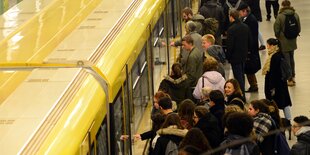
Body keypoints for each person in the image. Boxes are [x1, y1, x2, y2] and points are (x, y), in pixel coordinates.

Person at [262, 38, 292, 121]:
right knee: (284, 102)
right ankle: (288, 119)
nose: (267, 46)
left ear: (272, 45)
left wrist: (271, 87)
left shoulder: (274, 57)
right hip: (281, 84)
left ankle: (276, 120)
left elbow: (273, 73)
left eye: (268, 44)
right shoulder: (278, 54)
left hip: (276, 85)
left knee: (274, 103)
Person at [274, 0, 301, 86]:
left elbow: (276, 29)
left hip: (283, 41)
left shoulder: (280, 16)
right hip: (293, 40)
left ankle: (289, 78)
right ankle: (293, 76)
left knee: (286, 60)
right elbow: (299, 28)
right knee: (292, 58)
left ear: (282, 6)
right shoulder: (295, 15)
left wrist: (279, 37)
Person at [226, 9, 251, 93]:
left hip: (234, 56)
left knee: (238, 76)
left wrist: (228, 56)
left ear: (231, 17)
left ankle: (241, 94)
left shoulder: (231, 29)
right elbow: (249, 40)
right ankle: (242, 91)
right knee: (241, 74)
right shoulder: (245, 26)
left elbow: (230, 45)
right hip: (243, 55)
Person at [238, 2, 261, 93]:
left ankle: (254, 85)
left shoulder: (251, 20)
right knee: (249, 68)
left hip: (250, 49)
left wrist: (248, 48)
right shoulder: (247, 19)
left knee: (249, 68)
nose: (239, 13)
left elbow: (252, 36)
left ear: (244, 11)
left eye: (240, 11)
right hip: (250, 48)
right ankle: (253, 85)